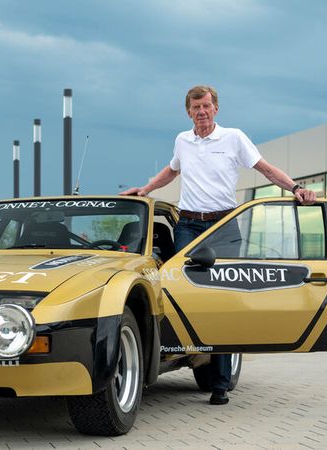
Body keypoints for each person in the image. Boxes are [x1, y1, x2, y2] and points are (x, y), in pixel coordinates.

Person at [121, 85, 316, 405]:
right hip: (188, 225)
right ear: (188, 112)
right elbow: (171, 172)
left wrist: (295, 187)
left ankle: (221, 383)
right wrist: (145, 189)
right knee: (185, 293)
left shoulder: (234, 138)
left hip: (223, 226)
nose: (202, 111)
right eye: (196, 107)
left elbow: (265, 169)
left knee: (223, 301)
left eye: (207, 106)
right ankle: (179, 354)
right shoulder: (182, 141)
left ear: (216, 108)